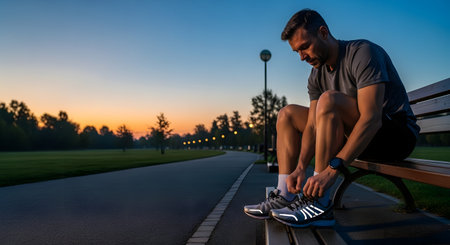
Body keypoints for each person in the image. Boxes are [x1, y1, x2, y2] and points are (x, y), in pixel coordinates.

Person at [244, 9, 419, 227]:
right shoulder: (316, 74)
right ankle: (285, 194)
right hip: (356, 135)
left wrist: (331, 170)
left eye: (305, 46)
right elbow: (312, 127)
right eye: (297, 51)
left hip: (394, 137)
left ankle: (320, 202)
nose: (302, 57)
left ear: (323, 32)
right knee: (287, 114)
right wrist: (300, 167)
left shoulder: (362, 52)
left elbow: (372, 119)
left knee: (329, 100)